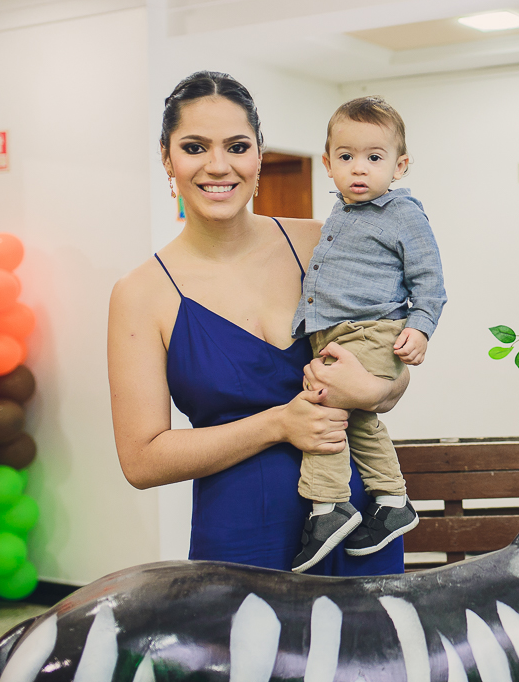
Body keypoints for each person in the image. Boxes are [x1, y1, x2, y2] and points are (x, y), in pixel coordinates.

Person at [108, 71, 408, 575]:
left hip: (356, 524)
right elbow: (141, 460)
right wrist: (278, 425)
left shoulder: (323, 244)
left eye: (237, 146)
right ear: (167, 157)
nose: (218, 166)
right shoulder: (140, 294)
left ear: (260, 155)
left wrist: (374, 390)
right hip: (240, 537)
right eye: (195, 147)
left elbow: (390, 371)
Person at [289, 96, 445, 573]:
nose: (360, 169)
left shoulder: (403, 214)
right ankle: (392, 498)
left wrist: (420, 330)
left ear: (399, 166)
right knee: (358, 421)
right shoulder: (341, 213)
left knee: (325, 407)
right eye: (346, 157)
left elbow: (430, 282)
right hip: (341, 333)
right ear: (328, 164)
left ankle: (327, 505)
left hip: (375, 331)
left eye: (374, 158)